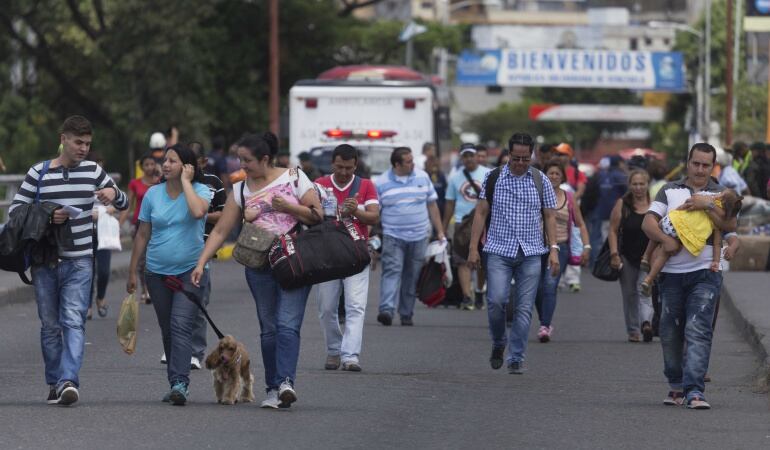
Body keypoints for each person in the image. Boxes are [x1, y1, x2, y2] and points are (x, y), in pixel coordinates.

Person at [191, 132, 321, 409]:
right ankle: (272, 388)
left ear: (264, 159)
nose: (242, 165)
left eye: (247, 160)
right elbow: (221, 230)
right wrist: (201, 262)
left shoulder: (295, 177)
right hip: (259, 267)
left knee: (287, 324)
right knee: (269, 329)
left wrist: (289, 207)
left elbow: (316, 214)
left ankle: (286, 382)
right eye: (240, 159)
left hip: (295, 264)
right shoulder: (240, 189)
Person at [10, 115, 128, 406]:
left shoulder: (93, 171)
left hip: (80, 260)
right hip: (45, 261)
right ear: (63, 139)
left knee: (74, 320)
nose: (83, 148)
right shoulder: (38, 172)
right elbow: (15, 212)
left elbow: (124, 201)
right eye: (78, 142)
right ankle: (54, 382)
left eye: (87, 143)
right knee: (50, 325)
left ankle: (68, 381)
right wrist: (50, 215)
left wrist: (113, 192)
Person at [642, 142, 736, 410]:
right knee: (670, 332)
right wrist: (665, 240)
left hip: (706, 272)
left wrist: (708, 205)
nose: (700, 169)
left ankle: (695, 391)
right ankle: (676, 384)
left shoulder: (721, 193)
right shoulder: (669, 190)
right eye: (696, 163)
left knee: (698, 329)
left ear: (712, 166)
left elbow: (730, 225)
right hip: (670, 274)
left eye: (706, 165)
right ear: (688, 163)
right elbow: (648, 222)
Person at [126, 143, 211, 406]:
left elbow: (198, 212)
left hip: (190, 271)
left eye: (173, 161)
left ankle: (180, 383)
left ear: (187, 166)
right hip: (156, 272)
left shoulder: (200, 190)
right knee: (167, 328)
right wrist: (132, 271)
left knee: (180, 324)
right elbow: (143, 233)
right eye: (165, 160)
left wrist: (186, 182)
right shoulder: (153, 194)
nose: (165, 165)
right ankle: (174, 380)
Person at [467, 132, 559, 375]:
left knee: (524, 308)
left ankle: (516, 357)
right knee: (496, 301)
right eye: (516, 158)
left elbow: (550, 216)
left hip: (531, 252)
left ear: (532, 156)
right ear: (509, 154)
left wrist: (554, 250)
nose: (520, 163)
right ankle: (499, 341)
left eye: (525, 159)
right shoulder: (494, 177)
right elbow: (481, 212)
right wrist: (473, 248)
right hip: (498, 250)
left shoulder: (540, 179)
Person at [314, 144, 380, 372]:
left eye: (349, 168)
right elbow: (309, 215)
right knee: (327, 308)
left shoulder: (366, 185)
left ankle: (350, 356)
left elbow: (374, 217)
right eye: (339, 167)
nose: (343, 172)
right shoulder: (319, 185)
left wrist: (356, 212)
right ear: (332, 163)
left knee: (355, 306)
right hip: (327, 254)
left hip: (356, 254)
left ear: (356, 165)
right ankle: (334, 350)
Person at [375, 147, 446, 327]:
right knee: (392, 271)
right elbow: (375, 211)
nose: (413, 164)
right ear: (396, 164)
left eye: (412, 160)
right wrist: (368, 236)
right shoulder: (381, 182)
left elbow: (432, 206)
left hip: (419, 236)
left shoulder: (422, 177)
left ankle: (406, 313)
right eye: (408, 162)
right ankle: (386, 310)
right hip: (393, 236)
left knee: (412, 275)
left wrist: (440, 231)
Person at [640, 189, 741, 297]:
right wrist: (716, 261)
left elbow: (687, 204)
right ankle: (648, 279)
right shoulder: (718, 220)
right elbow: (717, 243)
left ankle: (646, 256)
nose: (719, 193)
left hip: (672, 220)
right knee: (663, 255)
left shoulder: (705, 199)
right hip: (682, 234)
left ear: (722, 198)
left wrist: (674, 213)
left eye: (722, 193)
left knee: (658, 233)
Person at [534, 162, 590, 343]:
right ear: (544, 176)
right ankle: (545, 317)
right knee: (537, 287)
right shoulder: (535, 195)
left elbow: (580, 224)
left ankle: (545, 325)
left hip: (560, 247)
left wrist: (587, 247)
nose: (554, 176)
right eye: (550, 173)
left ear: (562, 177)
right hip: (536, 247)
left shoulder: (569, 197)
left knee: (550, 285)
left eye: (557, 173)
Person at [185, 141, 227, 370]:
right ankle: (177, 346)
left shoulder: (213, 183)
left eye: (193, 162)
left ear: (203, 162)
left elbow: (224, 214)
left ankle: (195, 351)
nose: (188, 167)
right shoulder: (173, 183)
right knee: (176, 302)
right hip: (176, 248)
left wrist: (200, 213)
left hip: (203, 247)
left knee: (198, 301)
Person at [442, 143, 491, 310]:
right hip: (461, 223)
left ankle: (479, 291)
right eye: (465, 156)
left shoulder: (488, 174)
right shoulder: (455, 178)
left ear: (477, 156)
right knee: (462, 261)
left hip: (484, 223)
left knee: (482, 261)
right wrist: (443, 228)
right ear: (461, 158)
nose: (469, 159)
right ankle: (466, 297)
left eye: (471, 155)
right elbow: (449, 203)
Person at [607, 170, 654, 342]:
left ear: (647, 184)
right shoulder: (622, 204)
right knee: (629, 294)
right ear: (629, 185)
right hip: (627, 256)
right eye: (635, 184)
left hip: (648, 257)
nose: (638, 187)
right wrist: (614, 254)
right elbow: (612, 230)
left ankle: (646, 323)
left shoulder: (654, 205)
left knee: (645, 290)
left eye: (642, 184)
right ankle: (633, 330)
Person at [119, 153, 159, 304]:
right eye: (146, 165)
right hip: (139, 223)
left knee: (155, 257)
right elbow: (128, 205)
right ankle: (145, 290)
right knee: (141, 258)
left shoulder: (160, 182)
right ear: (142, 167)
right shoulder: (134, 183)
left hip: (157, 223)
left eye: (152, 164)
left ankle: (156, 288)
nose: (149, 167)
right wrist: (119, 223)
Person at [87, 152, 117, 320]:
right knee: (88, 270)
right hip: (86, 232)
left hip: (103, 231)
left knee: (104, 271)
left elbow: (116, 205)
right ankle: (87, 305)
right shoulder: (82, 183)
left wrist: (101, 212)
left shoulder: (108, 183)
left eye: (100, 165)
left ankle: (101, 297)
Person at [587, 155, 627, 266]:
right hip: (617, 213)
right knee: (616, 237)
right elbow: (627, 193)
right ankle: (614, 261)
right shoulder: (621, 176)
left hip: (601, 212)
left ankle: (598, 263)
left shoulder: (601, 175)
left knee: (600, 238)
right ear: (619, 163)